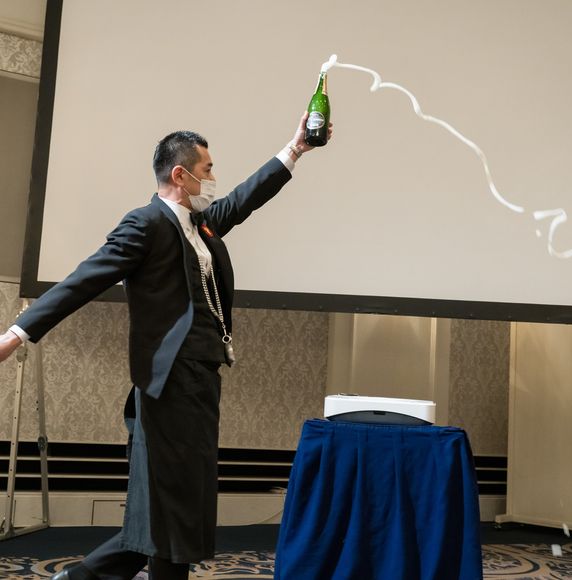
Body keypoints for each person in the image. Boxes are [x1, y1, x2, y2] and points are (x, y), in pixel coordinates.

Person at [0, 112, 332, 580]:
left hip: (201, 379)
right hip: (168, 382)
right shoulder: (146, 224)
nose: (213, 178)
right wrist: (16, 334)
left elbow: (246, 198)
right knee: (171, 505)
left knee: (178, 503)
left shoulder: (201, 225)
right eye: (207, 169)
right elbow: (85, 279)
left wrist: (296, 149)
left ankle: (79, 578)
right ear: (181, 174)